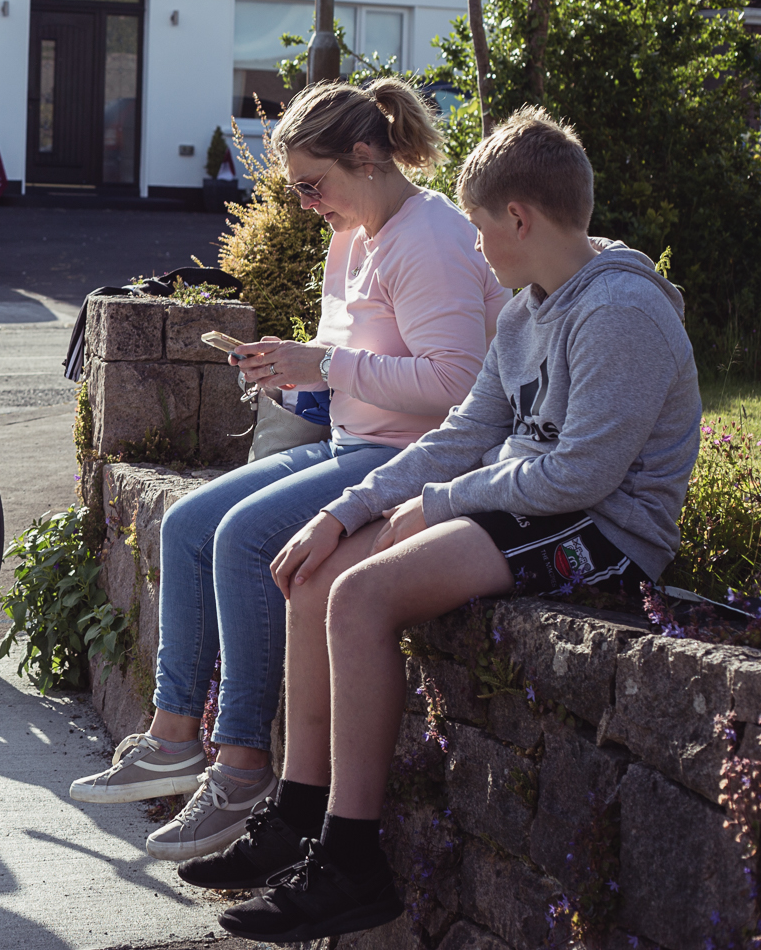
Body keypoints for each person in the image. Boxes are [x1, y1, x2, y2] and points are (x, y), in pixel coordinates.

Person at [211, 107, 701, 943]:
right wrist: (343, 510)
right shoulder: (524, 313)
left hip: (606, 533)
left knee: (362, 597)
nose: (473, 248)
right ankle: (301, 813)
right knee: (321, 571)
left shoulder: (621, 310)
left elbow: (584, 473)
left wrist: (440, 503)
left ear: (520, 217)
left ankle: (350, 860)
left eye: (477, 227)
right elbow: (459, 437)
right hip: (535, 507)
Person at [70, 78, 508, 865]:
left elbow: (456, 383)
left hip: (412, 458)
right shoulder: (353, 237)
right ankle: (174, 733)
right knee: (186, 520)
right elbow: (350, 372)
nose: (306, 203)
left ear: (367, 156)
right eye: (296, 188)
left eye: (313, 184)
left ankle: (239, 764)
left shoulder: (431, 237)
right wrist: (291, 374)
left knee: (241, 537)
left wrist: (326, 362)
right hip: (355, 443)